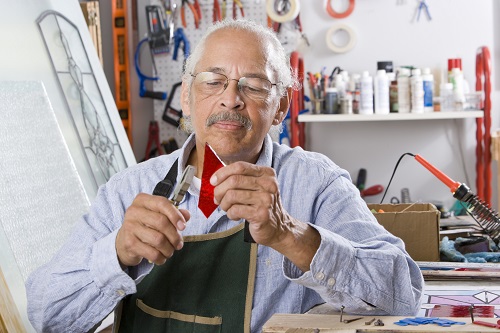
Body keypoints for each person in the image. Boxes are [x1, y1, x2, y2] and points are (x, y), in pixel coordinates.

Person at [26, 19, 424, 333]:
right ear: (186, 97)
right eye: (214, 81)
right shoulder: (129, 189)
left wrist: (290, 236)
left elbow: (403, 296)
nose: (230, 98)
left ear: (281, 106)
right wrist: (116, 253)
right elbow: (46, 316)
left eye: (252, 86)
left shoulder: (316, 183)